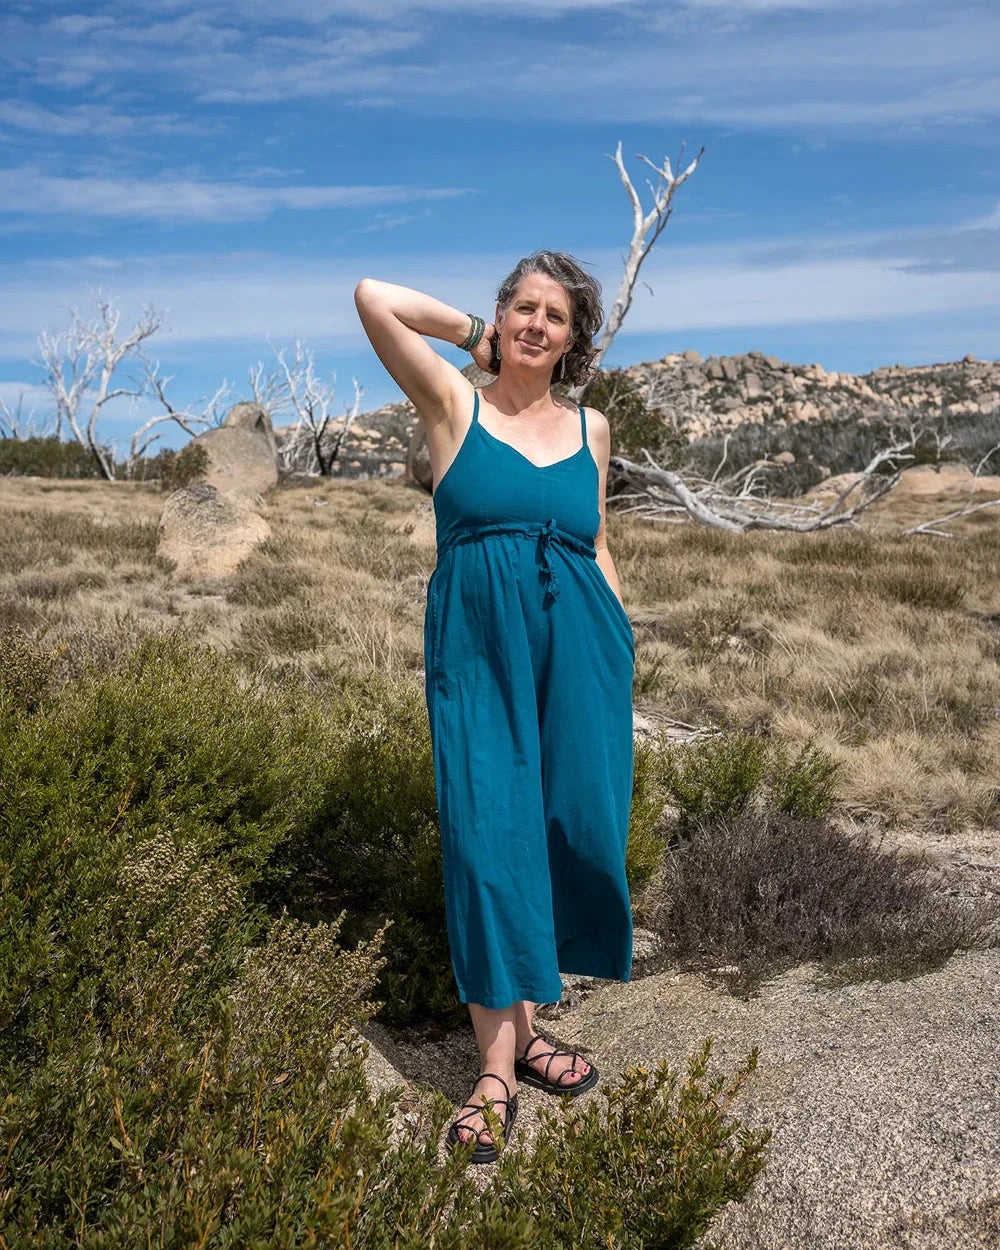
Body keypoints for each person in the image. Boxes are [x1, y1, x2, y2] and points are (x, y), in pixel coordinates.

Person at [354, 252, 635, 1163]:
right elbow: (375, 299)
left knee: (565, 828)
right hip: (479, 645)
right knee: (488, 834)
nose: (535, 324)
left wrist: (621, 645)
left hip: (577, 649)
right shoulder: (452, 404)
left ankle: (530, 1028)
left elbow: (599, 545)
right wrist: (472, 338)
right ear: (501, 315)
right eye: (522, 307)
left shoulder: (592, 429)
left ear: (572, 338)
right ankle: (495, 1072)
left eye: (555, 315)